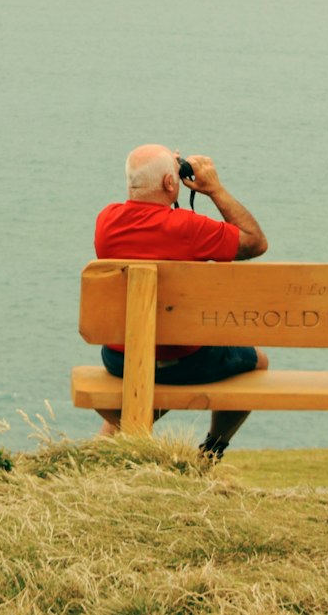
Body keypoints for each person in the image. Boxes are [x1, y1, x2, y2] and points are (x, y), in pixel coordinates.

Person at [92, 143, 270, 459]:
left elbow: (146, 221)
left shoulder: (106, 222)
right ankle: (212, 450)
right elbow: (255, 242)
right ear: (170, 183)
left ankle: (104, 452)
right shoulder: (190, 229)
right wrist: (215, 190)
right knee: (258, 364)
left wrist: (162, 171)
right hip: (188, 363)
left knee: (143, 380)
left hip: (121, 359)